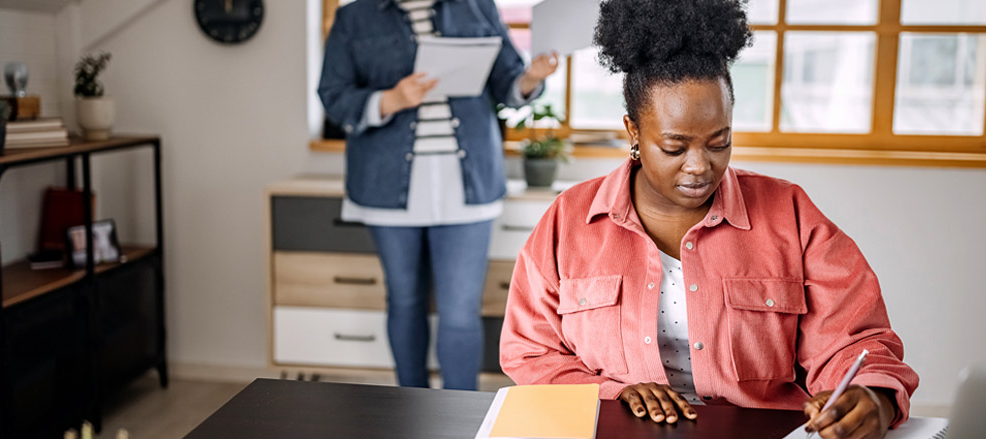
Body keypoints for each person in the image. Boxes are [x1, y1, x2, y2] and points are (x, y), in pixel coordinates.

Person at [498, 0, 919, 437]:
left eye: (719, 142)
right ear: (633, 131)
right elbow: (530, 352)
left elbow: (857, 341)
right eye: (675, 147)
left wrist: (874, 396)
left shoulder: (790, 214)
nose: (700, 166)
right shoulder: (569, 220)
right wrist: (609, 391)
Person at [318, 0, 559, 391]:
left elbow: (508, 84)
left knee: (462, 312)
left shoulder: (477, 7)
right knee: (405, 301)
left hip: (468, 185)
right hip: (385, 186)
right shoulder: (353, 16)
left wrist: (531, 77)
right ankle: (411, 405)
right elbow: (333, 95)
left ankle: (463, 417)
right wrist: (391, 99)